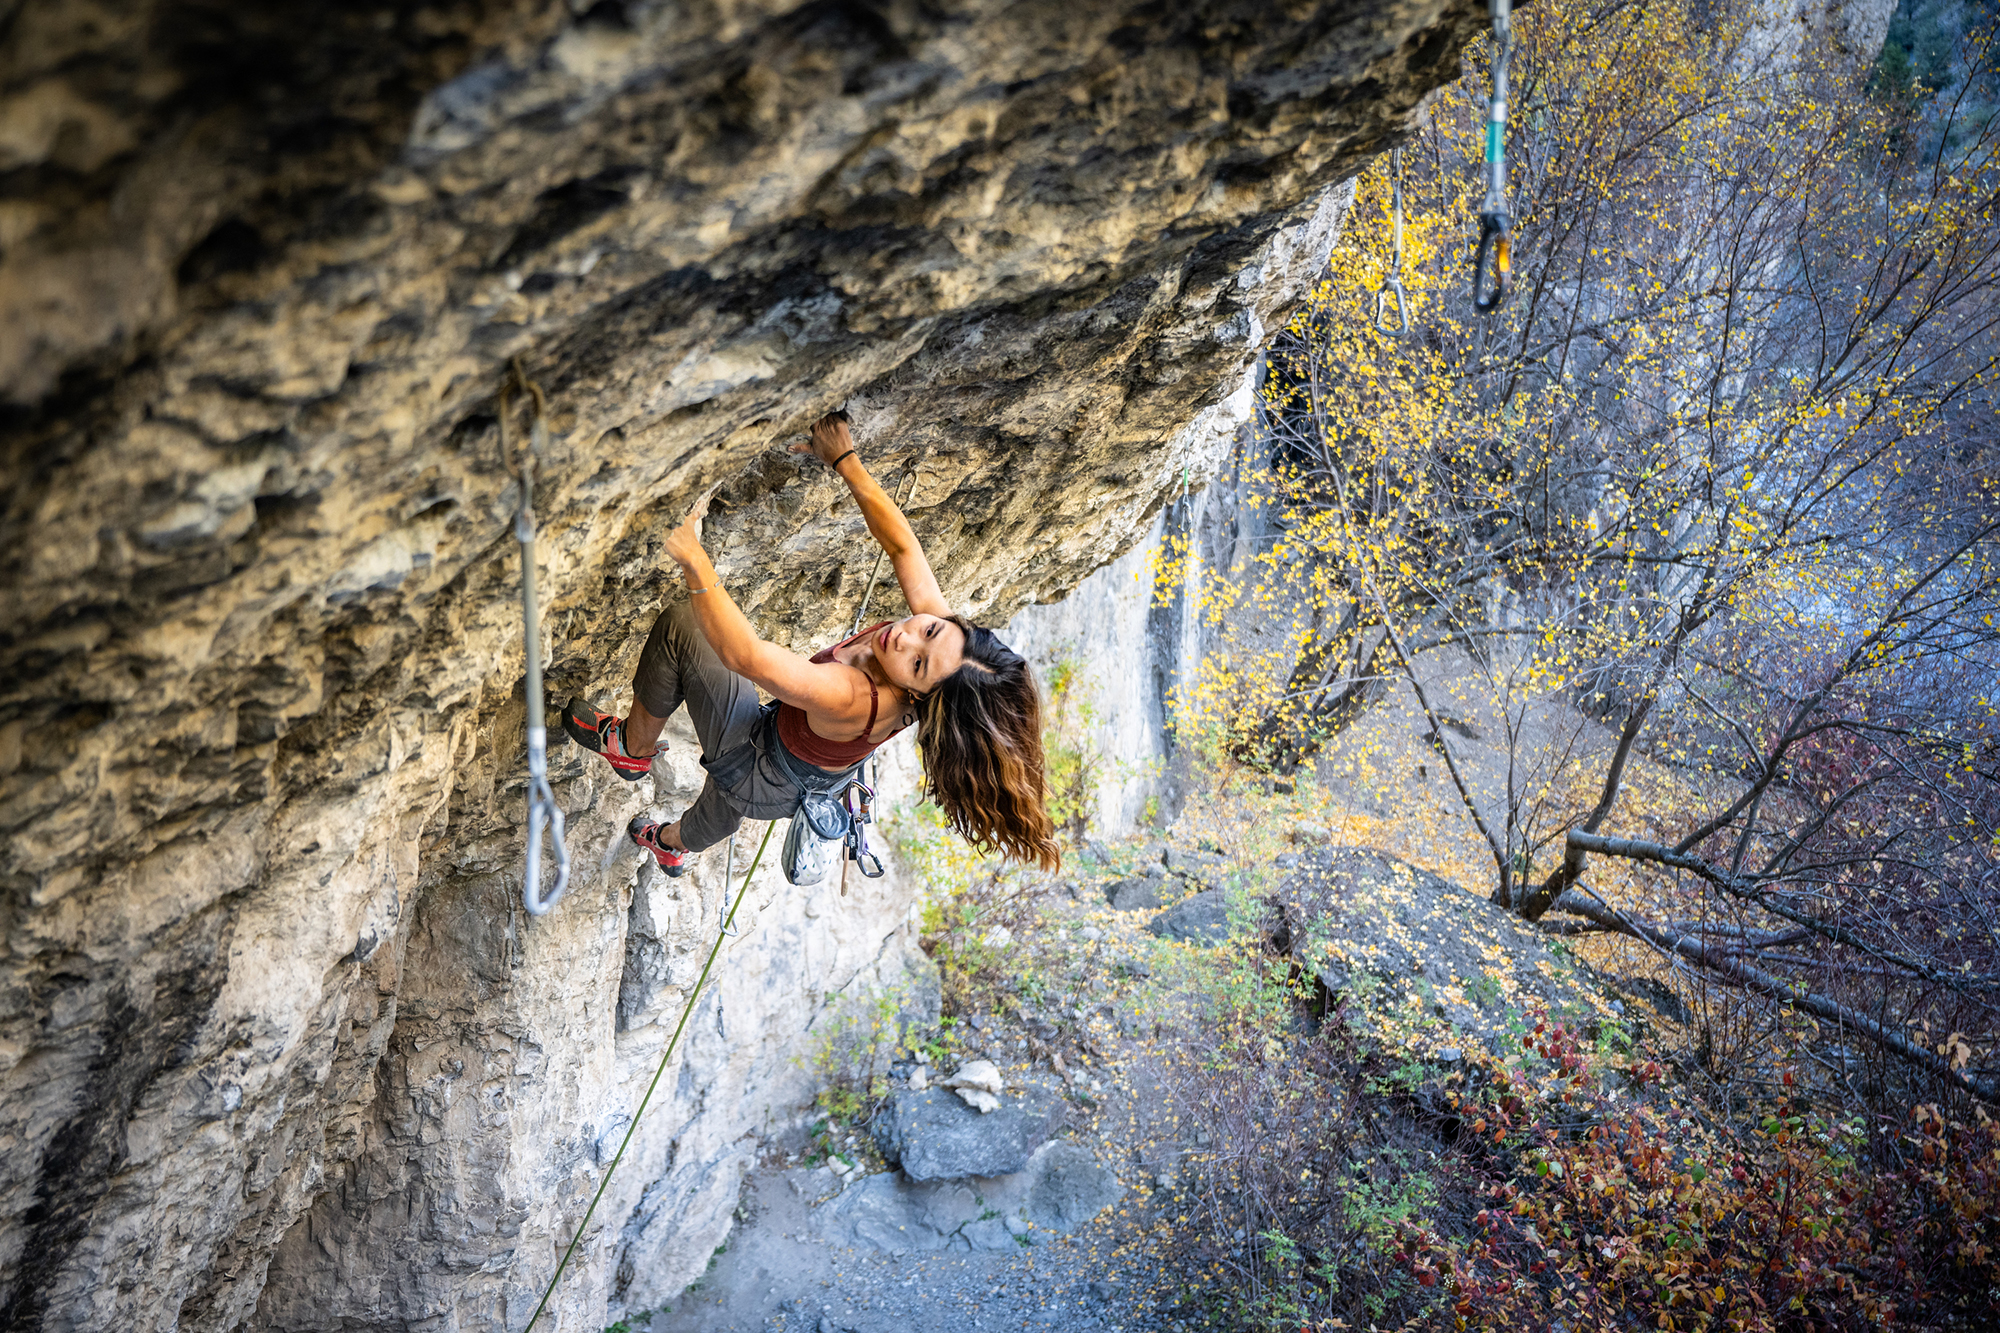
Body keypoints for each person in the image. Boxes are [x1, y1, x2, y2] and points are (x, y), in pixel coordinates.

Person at [562, 411, 1062, 877]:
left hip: (765, 772)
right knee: (727, 800)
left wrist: (695, 557)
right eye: (930, 630)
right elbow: (903, 546)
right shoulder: (942, 645)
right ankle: (676, 840)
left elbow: (747, 657)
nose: (906, 637)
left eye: (916, 663)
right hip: (804, 772)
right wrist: (845, 461)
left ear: (917, 695)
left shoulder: (853, 696)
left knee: (685, 634)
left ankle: (635, 756)